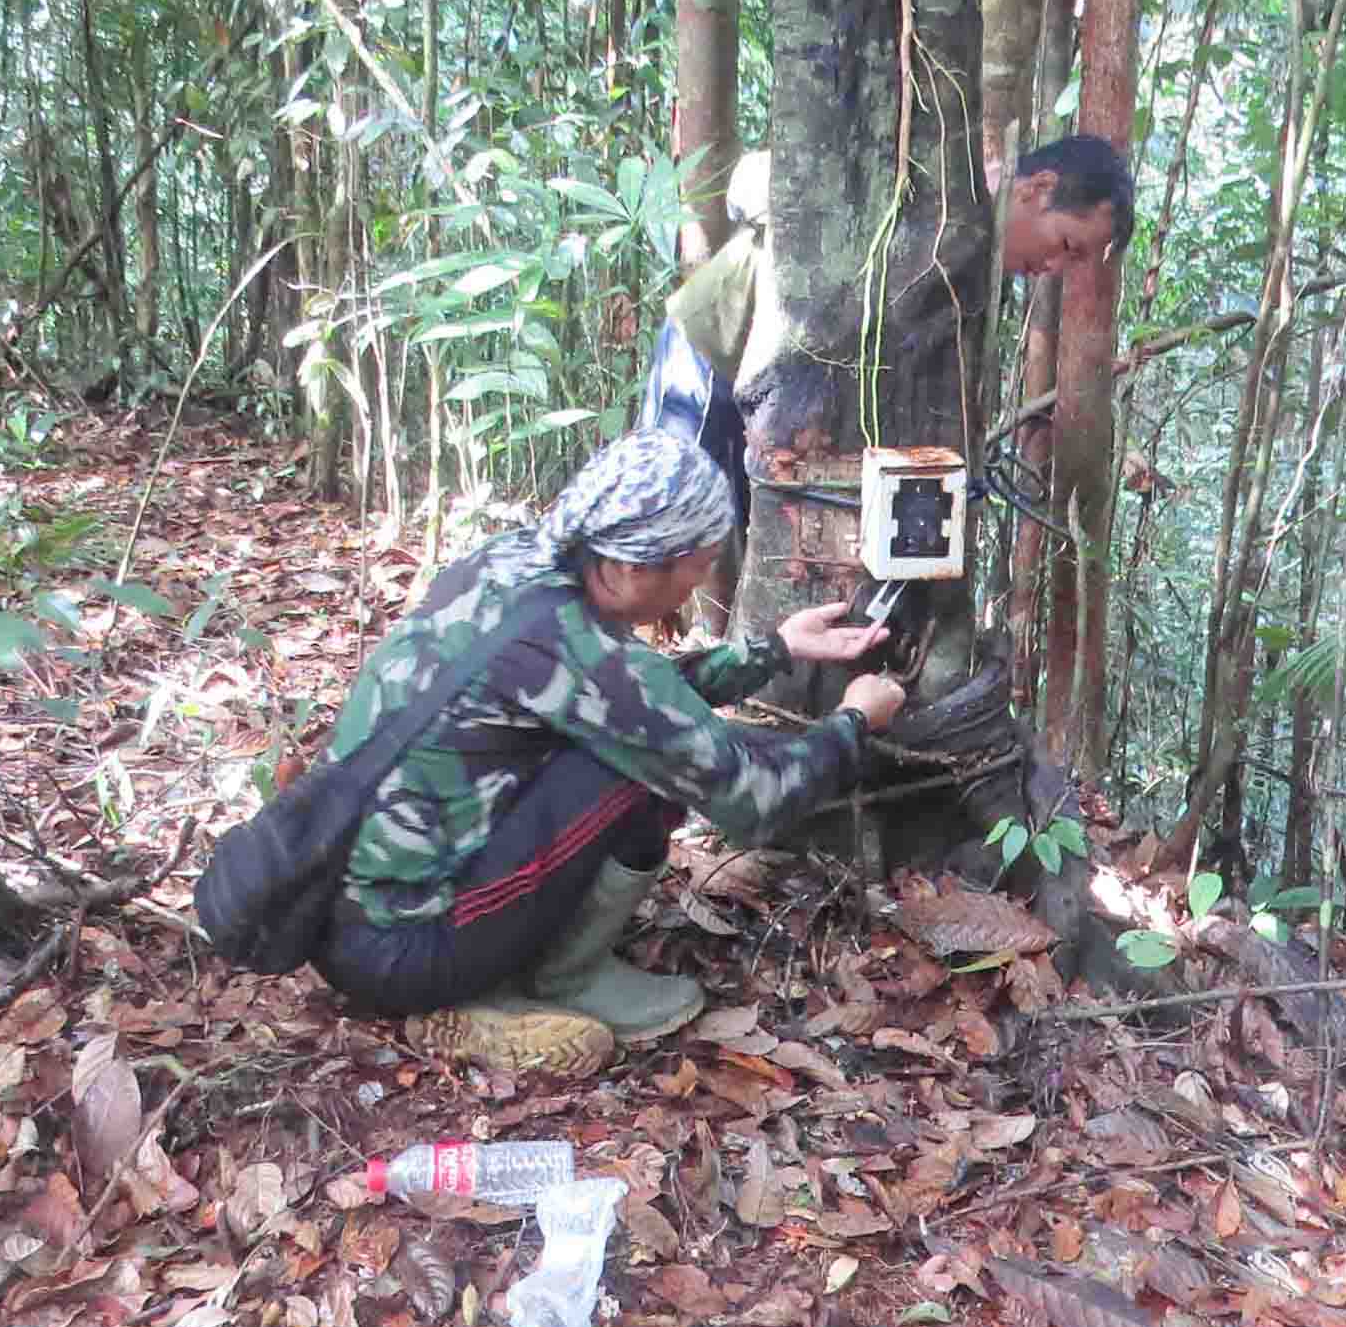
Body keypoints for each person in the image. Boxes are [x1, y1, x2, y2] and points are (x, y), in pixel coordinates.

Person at [310, 430, 907, 1076]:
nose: (701, 581)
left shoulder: (510, 567)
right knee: (642, 774)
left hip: (337, 911)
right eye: (698, 564)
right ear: (628, 567)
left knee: (635, 746)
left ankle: (502, 970)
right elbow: (757, 803)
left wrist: (773, 650)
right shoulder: (593, 655)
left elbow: (613, 695)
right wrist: (853, 721)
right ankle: (548, 983)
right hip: (404, 948)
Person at [642, 134, 1137, 627]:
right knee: (662, 525)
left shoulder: (982, 268)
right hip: (717, 344)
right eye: (1066, 245)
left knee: (758, 548)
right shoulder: (937, 183)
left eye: (1071, 263)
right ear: (1037, 188)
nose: (1052, 268)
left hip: (789, 403)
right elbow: (753, 177)